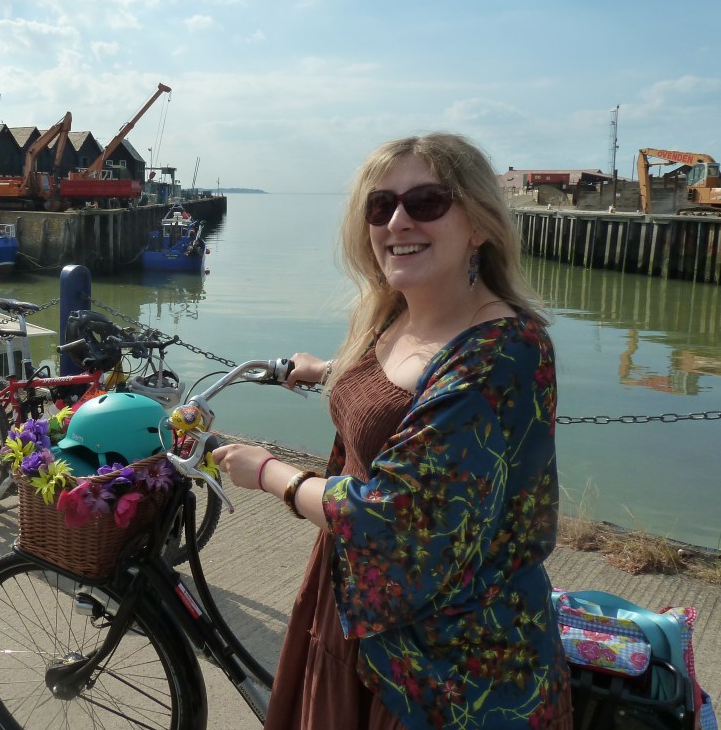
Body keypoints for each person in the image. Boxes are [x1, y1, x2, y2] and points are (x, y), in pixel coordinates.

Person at [212, 132, 572, 730]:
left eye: (427, 202)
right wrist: (330, 371)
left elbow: (392, 514)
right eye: (381, 207)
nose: (398, 220)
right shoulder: (395, 310)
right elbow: (406, 396)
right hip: (355, 600)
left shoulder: (504, 352)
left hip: (440, 661)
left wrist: (271, 474)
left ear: (478, 223)